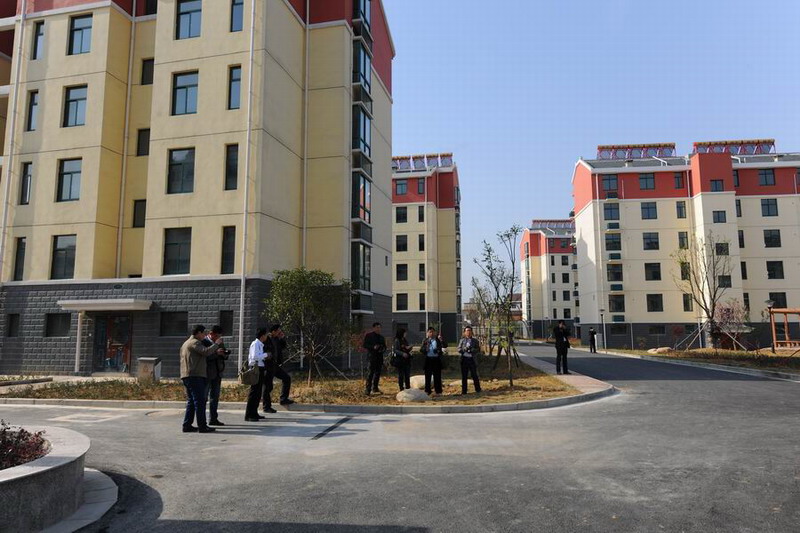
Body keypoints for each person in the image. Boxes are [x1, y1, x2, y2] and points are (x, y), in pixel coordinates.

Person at [180, 325, 224, 433]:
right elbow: (206, 352)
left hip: (188, 375)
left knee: (191, 401)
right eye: (203, 333)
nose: (204, 335)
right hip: (195, 375)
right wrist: (216, 344)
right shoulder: (195, 342)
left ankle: (187, 425)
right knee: (199, 401)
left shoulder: (186, 343)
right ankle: (202, 426)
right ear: (198, 333)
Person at [263, 324, 294, 413]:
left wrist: (282, 338)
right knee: (268, 386)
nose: (279, 333)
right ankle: (266, 407)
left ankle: (283, 399)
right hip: (268, 365)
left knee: (287, 378)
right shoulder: (267, 339)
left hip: (275, 365)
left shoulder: (276, 339)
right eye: (278, 331)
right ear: (273, 331)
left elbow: (283, 347)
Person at [202, 325, 229, 426]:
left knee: (215, 397)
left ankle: (213, 418)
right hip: (208, 373)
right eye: (217, 336)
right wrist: (216, 353)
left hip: (218, 372)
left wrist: (224, 354)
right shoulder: (204, 342)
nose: (218, 338)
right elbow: (205, 357)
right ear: (211, 334)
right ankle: (202, 420)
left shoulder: (219, 342)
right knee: (204, 397)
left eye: (219, 336)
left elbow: (224, 354)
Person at [245, 328, 270, 422]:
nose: (266, 337)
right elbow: (254, 356)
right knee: (254, 392)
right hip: (256, 369)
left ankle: (254, 412)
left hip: (260, 368)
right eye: (266, 335)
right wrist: (265, 355)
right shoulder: (255, 344)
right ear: (262, 336)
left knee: (258, 392)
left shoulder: (260, 344)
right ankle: (249, 414)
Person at [421, 327, 447, 395]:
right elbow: (421, 350)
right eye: (430, 332)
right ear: (427, 333)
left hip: (436, 359)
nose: (431, 333)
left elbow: (445, 345)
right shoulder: (425, 340)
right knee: (428, 376)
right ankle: (427, 390)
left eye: (433, 332)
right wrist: (426, 349)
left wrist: (441, 340)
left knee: (437, 376)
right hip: (428, 359)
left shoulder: (438, 340)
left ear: (435, 332)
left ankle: (438, 391)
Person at [363, 322, 387, 395]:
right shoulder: (369, 335)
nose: (378, 329)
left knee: (378, 373)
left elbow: (385, 347)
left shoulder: (381, 337)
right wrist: (373, 347)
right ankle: (368, 389)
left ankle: (375, 388)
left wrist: (382, 349)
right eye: (377, 327)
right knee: (370, 373)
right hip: (372, 357)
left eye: (379, 327)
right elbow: (365, 345)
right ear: (373, 328)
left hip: (379, 357)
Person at [457, 326, 481, 395]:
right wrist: (464, 349)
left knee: (474, 375)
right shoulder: (462, 340)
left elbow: (478, 349)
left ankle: (478, 389)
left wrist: (473, 350)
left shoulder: (475, 341)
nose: (468, 332)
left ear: (472, 332)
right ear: (464, 332)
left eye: (470, 330)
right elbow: (459, 349)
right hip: (464, 359)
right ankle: (464, 391)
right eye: (467, 331)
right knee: (464, 376)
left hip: (472, 359)